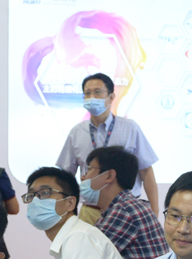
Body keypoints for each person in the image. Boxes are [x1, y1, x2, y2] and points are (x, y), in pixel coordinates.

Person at [57, 72, 160, 219]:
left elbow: (146, 171)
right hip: (90, 211)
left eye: (97, 92)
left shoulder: (130, 128)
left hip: (126, 210)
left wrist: (154, 210)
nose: (92, 97)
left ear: (111, 97)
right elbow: (66, 177)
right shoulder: (77, 132)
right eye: (88, 93)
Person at [83, 146, 167, 259]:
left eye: (89, 170)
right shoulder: (124, 206)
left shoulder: (124, 211)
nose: (83, 177)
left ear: (109, 176)